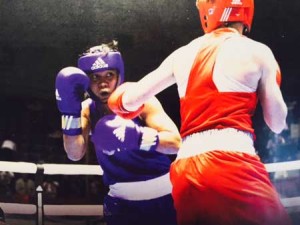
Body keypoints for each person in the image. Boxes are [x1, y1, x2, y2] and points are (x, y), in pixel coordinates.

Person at [107, 1, 292, 225]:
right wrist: (272, 82)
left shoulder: (182, 54)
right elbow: (277, 123)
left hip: (186, 168)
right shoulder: (258, 52)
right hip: (231, 160)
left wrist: (120, 97)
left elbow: (129, 101)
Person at [55, 41, 181, 225]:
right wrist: (69, 112)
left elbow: (175, 143)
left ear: (119, 75)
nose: (103, 83)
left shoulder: (140, 99)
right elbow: (74, 154)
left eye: (109, 75)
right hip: (120, 202)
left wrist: (137, 137)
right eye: (95, 78)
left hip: (163, 196)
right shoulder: (87, 110)